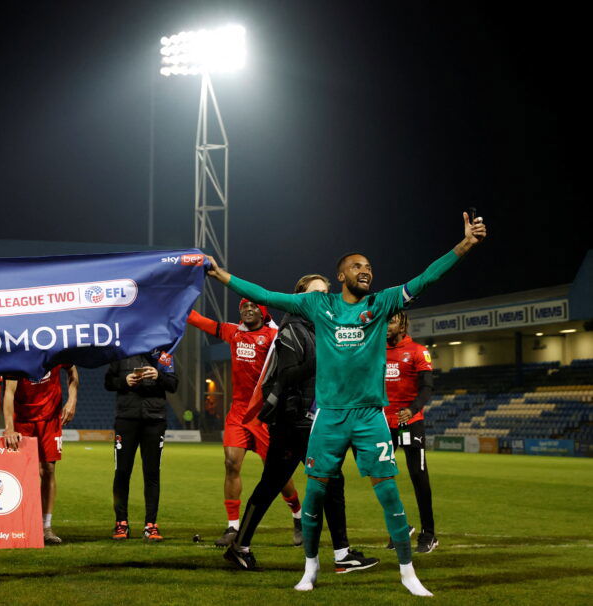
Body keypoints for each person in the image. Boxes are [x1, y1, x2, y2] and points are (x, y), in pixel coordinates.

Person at [206, 211, 486, 596]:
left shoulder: (383, 302)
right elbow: (267, 296)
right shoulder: (318, 306)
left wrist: (465, 245)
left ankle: (408, 573)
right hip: (330, 417)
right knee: (317, 492)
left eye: (368, 266)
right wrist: (224, 278)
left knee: (388, 491)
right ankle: (310, 569)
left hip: (370, 416)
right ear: (341, 275)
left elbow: (426, 278)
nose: (365, 270)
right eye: (357, 266)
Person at [224, 275, 378, 575]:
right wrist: (329, 356)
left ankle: (240, 547)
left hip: (309, 419)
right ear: (301, 297)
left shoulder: (319, 328)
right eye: (316, 292)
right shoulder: (292, 329)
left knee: (287, 483)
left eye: (326, 292)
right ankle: (342, 554)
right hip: (296, 420)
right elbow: (288, 376)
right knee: (320, 482)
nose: (323, 297)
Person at [187, 301, 303, 547]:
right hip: (239, 413)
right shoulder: (233, 332)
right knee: (231, 464)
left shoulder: (274, 337)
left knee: (277, 474)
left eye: (253, 306)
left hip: (265, 415)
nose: (248, 309)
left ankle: (298, 517)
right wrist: (177, 304)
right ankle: (233, 527)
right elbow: (200, 321)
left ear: (263, 312)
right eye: (243, 306)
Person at [104, 350, 178, 542]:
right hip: (126, 419)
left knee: (152, 473)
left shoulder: (164, 356)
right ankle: (121, 523)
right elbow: (108, 382)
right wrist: (124, 380)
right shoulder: (121, 353)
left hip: (155, 420)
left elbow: (173, 384)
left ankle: (151, 525)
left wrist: (158, 375)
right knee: (122, 472)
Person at [1, 364, 78, 545]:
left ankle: (46, 527)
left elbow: (72, 370)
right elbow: (9, 392)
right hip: (23, 419)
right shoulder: (18, 355)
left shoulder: (54, 348)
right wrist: (9, 428)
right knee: (24, 474)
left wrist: (72, 400)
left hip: (50, 418)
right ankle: (21, 526)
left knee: (48, 470)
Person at [385, 310, 437, 553]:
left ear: (402, 325)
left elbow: (427, 387)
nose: (386, 325)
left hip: (410, 422)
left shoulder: (417, 350)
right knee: (383, 478)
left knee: (418, 476)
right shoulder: (376, 350)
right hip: (383, 423)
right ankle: (400, 528)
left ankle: (429, 534)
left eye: (392, 321)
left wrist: (412, 408)